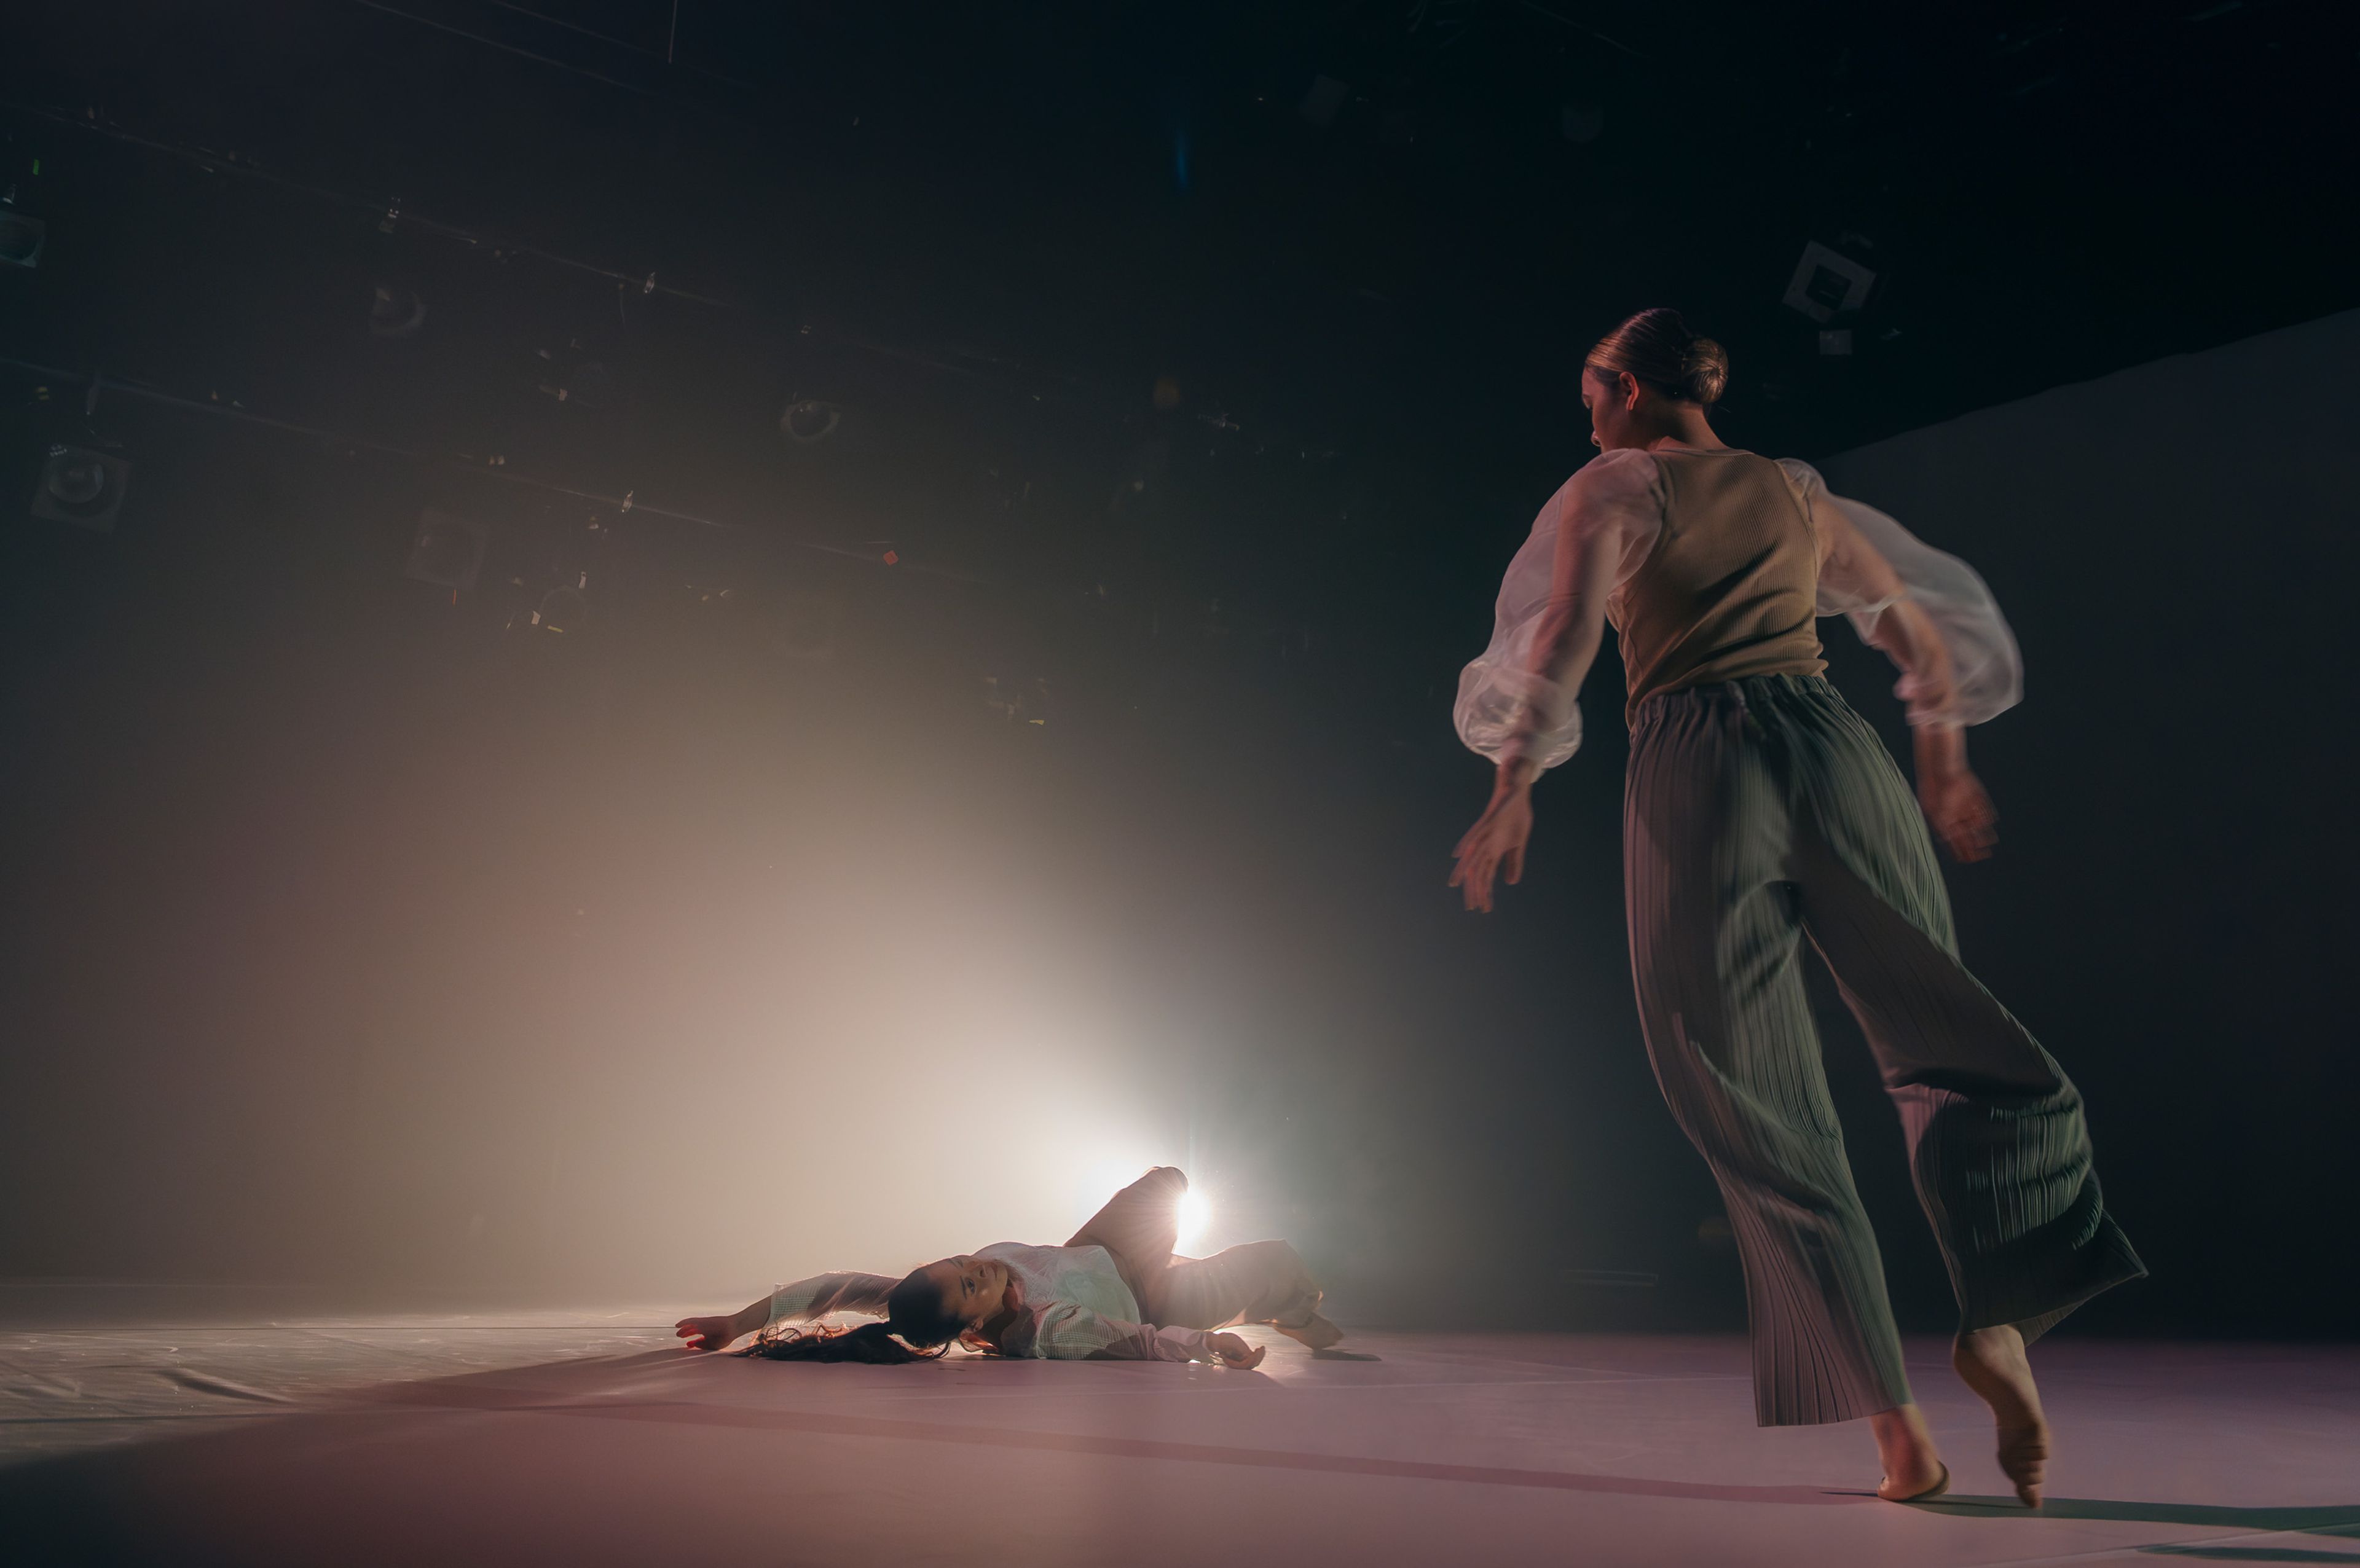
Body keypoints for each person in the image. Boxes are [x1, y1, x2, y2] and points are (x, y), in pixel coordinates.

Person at [1449, 308, 2143, 1508]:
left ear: (1618, 390)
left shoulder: (1611, 487)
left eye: (1587, 393)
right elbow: (1909, 624)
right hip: (1835, 748)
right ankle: (2004, 1316)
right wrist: (1942, 760)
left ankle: (1901, 1438)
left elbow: (1562, 637)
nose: (1588, 414)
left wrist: (1513, 789)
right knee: (1955, 1039)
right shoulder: (1794, 489)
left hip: (1697, 763)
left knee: (1745, 1089)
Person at [675, 1166, 1345, 1369]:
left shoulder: (943, 1292)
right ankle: (1290, 1307)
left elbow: (834, 1288)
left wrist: (738, 1321)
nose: (978, 1265)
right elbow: (1134, 1340)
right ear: (971, 1323)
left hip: (1099, 1244)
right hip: (1154, 1294)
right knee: (1278, 1261)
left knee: (1170, 1180)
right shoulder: (1042, 1326)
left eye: (960, 1261)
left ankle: (1269, 1297)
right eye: (972, 1281)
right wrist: (1206, 1343)